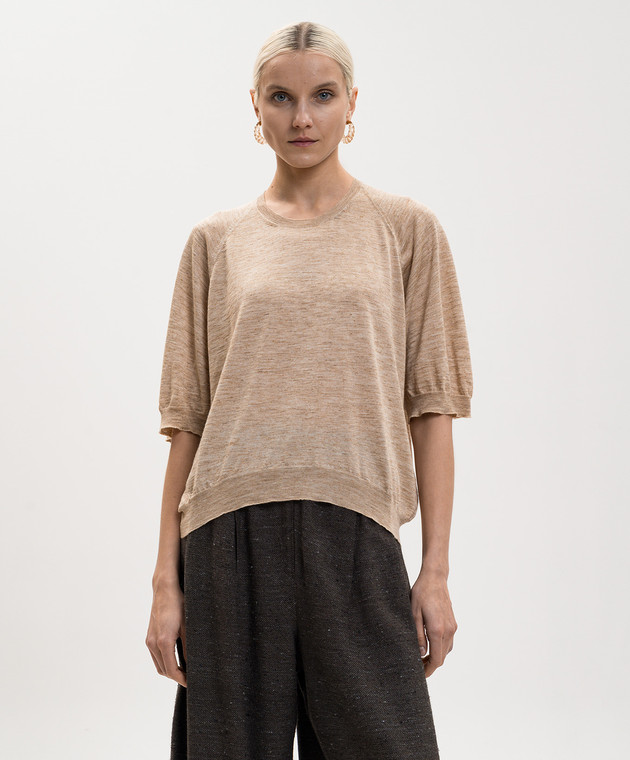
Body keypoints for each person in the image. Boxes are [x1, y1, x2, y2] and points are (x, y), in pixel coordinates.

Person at [146, 20, 473, 760]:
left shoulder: (406, 230)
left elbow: (433, 409)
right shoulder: (215, 242)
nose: (302, 117)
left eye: (322, 96)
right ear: (254, 106)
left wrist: (436, 571)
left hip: (357, 536)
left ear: (352, 103)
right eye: (281, 98)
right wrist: (166, 583)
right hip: (227, 539)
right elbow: (187, 424)